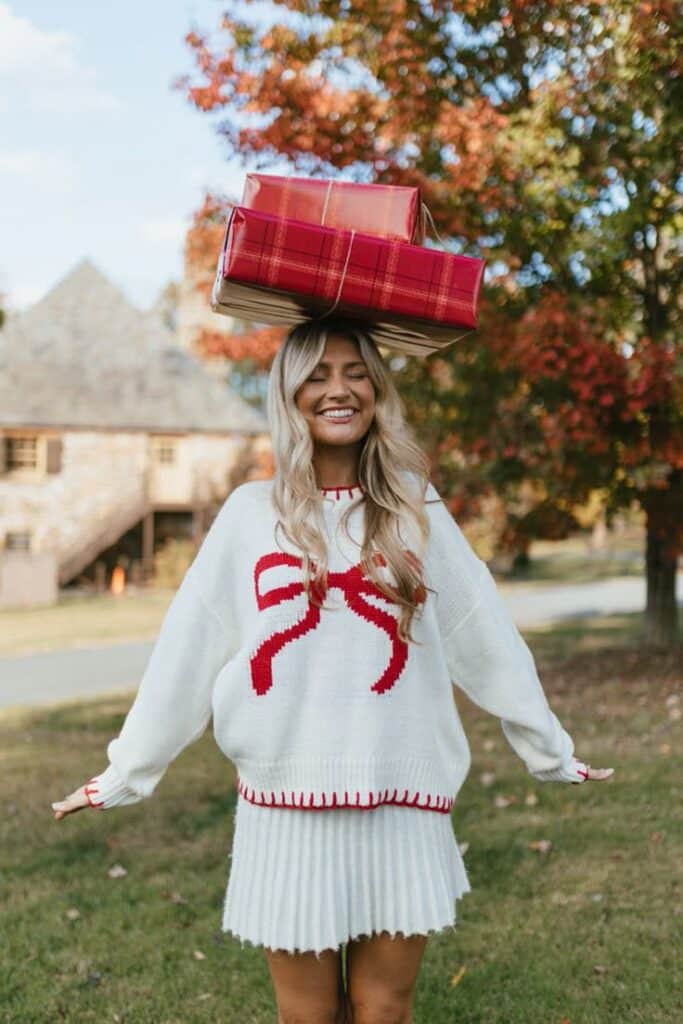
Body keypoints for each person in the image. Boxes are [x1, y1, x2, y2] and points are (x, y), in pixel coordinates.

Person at [51, 319, 614, 1024]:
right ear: (287, 395)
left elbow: (482, 633)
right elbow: (187, 648)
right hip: (286, 804)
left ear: (378, 388)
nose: (338, 390)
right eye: (316, 375)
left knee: (382, 1008)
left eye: (354, 372)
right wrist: (125, 771)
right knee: (308, 1016)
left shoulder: (414, 507)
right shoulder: (249, 515)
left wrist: (547, 746)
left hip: (400, 794)